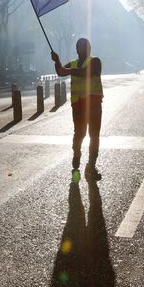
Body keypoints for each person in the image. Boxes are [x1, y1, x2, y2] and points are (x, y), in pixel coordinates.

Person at [51, 38, 103, 182]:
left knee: (93, 135)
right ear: (77, 49)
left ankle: (91, 166)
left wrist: (67, 69)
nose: (87, 49)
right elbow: (61, 72)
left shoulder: (95, 61)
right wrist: (57, 61)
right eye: (83, 47)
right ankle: (77, 155)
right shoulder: (73, 64)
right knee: (80, 134)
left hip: (93, 106)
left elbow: (86, 72)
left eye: (87, 46)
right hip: (79, 105)